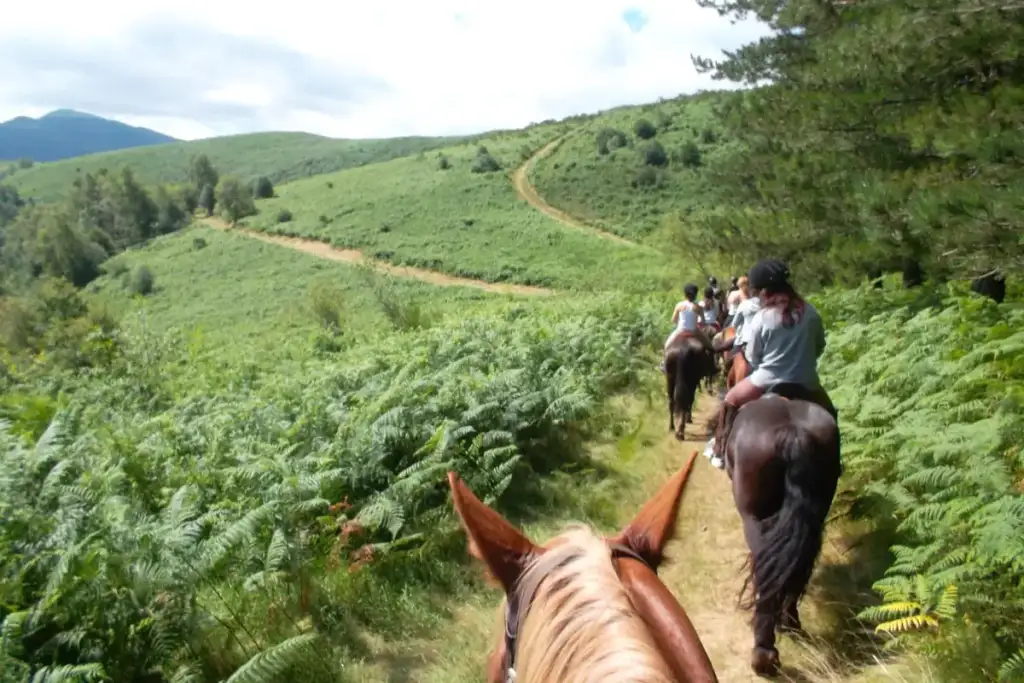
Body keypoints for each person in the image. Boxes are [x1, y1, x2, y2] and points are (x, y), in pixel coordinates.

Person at [703, 259, 836, 469]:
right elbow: (819, 346)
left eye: (757, 291)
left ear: (765, 291)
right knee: (830, 413)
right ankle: (836, 461)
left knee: (730, 399)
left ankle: (719, 449)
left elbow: (754, 357)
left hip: (766, 380)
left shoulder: (762, 317)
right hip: (807, 381)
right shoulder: (811, 313)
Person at [664, 283, 713, 353]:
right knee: (710, 346)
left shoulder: (679, 305)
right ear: (695, 295)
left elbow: (673, 320)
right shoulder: (699, 308)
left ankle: (663, 362)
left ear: (685, 294)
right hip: (694, 331)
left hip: (680, 330)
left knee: (667, 345)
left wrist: (681, 324)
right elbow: (703, 323)